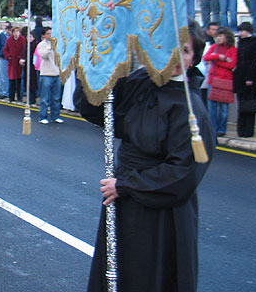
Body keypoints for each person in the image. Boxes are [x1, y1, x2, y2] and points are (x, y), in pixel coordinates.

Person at [75, 20, 215, 292]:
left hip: (159, 212)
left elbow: (183, 174)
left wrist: (125, 185)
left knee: (148, 277)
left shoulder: (191, 109)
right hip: (124, 197)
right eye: (170, 47)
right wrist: (96, 70)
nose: (175, 57)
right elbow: (100, 110)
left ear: (194, 58)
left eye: (184, 51)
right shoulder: (142, 81)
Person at [203, 26, 237, 136]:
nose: (218, 38)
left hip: (225, 81)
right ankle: (213, 127)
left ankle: (222, 129)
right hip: (213, 80)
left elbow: (231, 65)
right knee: (212, 106)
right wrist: (218, 56)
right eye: (217, 36)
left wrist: (216, 60)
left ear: (227, 37)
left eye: (220, 36)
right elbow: (206, 57)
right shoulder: (214, 47)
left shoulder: (232, 50)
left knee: (224, 108)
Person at [233, 22, 256, 137]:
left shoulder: (255, 42)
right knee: (241, 104)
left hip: (251, 77)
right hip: (240, 77)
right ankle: (241, 129)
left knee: (249, 104)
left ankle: (249, 130)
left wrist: (250, 78)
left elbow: (254, 61)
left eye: (242, 31)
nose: (241, 33)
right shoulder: (240, 42)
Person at [37, 27, 63, 124]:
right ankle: (43, 116)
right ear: (44, 35)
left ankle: (55, 116)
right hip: (46, 74)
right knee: (45, 98)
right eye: (48, 34)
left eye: (51, 33)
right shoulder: (41, 45)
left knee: (56, 97)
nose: (50, 35)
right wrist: (50, 46)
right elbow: (43, 55)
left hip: (57, 73)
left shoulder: (58, 44)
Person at [4, 26, 26, 103]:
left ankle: (20, 97)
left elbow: (24, 50)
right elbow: (5, 50)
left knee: (19, 81)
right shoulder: (9, 40)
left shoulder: (23, 40)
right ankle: (11, 97)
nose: (16, 33)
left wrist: (22, 58)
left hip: (19, 63)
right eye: (14, 32)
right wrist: (8, 56)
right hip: (12, 63)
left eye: (17, 32)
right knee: (11, 81)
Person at [0, 22, 11, 99]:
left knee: (3, 76)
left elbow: (3, 46)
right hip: (0, 58)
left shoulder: (2, 35)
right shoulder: (2, 35)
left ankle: (5, 92)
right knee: (0, 76)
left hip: (3, 58)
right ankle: (1, 91)